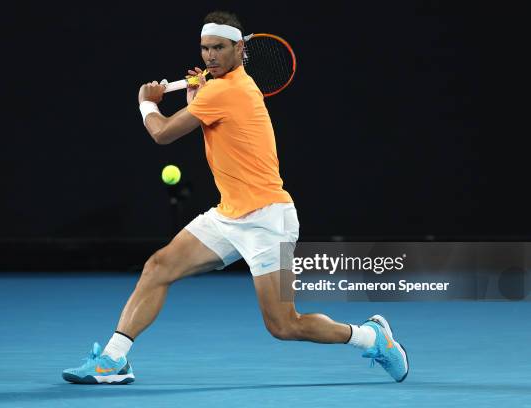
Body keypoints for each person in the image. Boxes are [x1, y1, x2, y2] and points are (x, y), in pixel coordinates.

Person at [62, 10, 408, 385]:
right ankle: (114, 360)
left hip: (267, 219)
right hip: (228, 215)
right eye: (205, 48)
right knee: (159, 267)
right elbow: (212, 121)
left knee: (284, 325)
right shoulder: (220, 89)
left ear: (240, 48)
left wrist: (146, 102)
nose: (210, 56)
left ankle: (371, 337)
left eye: (219, 48)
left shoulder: (228, 90)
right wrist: (196, 96)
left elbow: (161, 134)